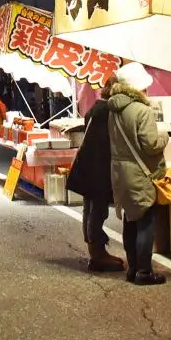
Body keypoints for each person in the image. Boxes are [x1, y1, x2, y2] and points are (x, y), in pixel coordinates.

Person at [107, 63, 171, 287]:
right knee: (145, 223)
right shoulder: (142, 110)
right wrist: (165, 137)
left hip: (121, 173)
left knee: (131, 221)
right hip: (141, 174)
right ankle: (144, 271)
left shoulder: (115, 110)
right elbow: (150, 145)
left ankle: (132, 268)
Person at [66, 74, 124, 273]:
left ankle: (95, 251)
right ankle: (98, 255)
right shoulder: (108, 110)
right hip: (98, 166)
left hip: (87, 164)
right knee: (97, 210)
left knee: (89, 208)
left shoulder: (96, 107)